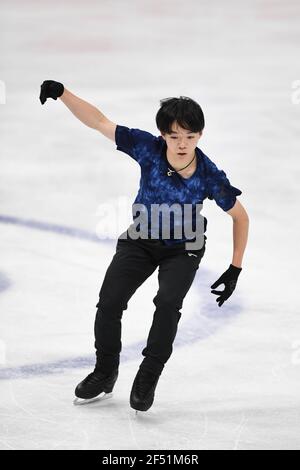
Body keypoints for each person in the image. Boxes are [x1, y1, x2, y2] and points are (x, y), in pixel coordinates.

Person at [39, 81, 249, 412]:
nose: (182, 144)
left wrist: (235, 267)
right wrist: (63, 92)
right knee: (109, 302)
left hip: (184, 247)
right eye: (175, 136)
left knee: (168, 303)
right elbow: (98, 121)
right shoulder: (147, 148)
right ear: (162, 134)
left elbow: (241, 217)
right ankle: (105, 371)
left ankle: (148, 375)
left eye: (190, 137)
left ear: (200, 135)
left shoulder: (209, 175)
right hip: (140, 240)